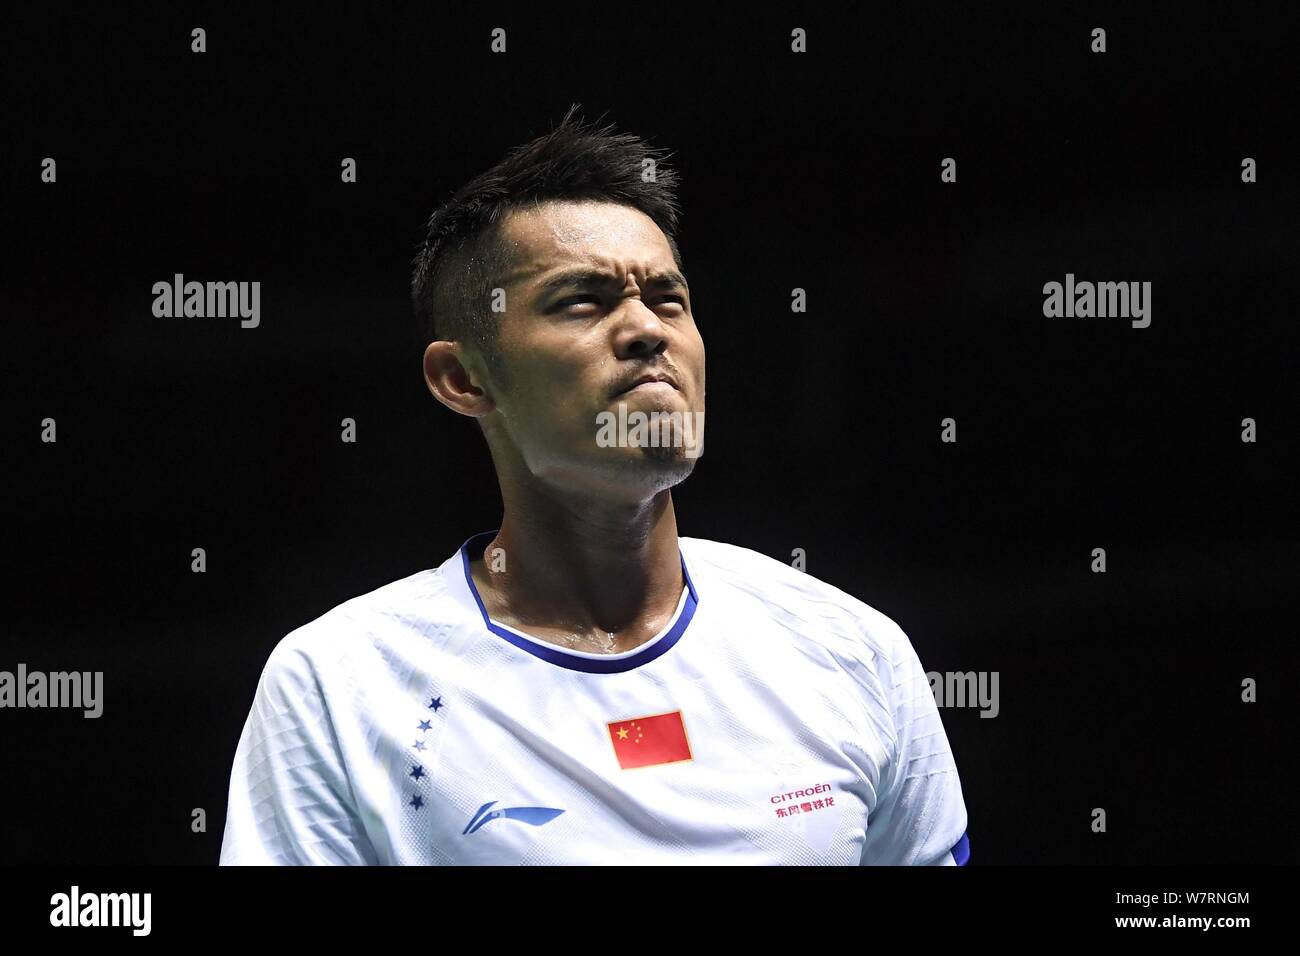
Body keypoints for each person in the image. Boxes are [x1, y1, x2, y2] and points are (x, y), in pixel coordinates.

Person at [218, 106, 970, 865]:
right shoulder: (339, 685)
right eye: (582, 300)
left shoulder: (853, 651)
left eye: (668, 298)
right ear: (462, 378)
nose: (648, 329)